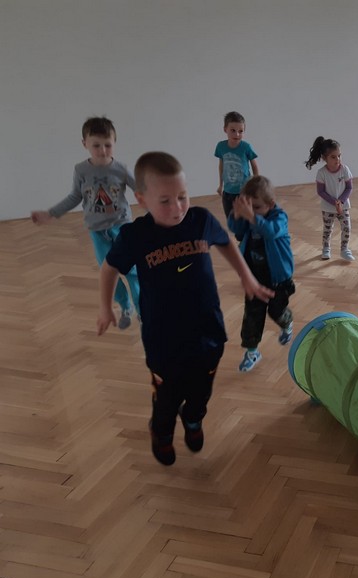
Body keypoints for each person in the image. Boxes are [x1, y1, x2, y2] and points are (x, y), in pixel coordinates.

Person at [96, 152, 274, 466]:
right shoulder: (136, 236)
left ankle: (193, 418)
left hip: (208, 331)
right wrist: (105, 307)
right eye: (165, 201)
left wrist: (246, 276)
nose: (177, 207)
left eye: (182, 196)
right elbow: (109, 268)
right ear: (142, 200)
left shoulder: (200, 220)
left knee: (201, 390)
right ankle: (161, 432)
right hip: (163, 340)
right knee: (167, 396)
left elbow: (225, 241)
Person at [31, 116, 140, 329]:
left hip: (122, 225)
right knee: (108, 271)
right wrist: (51, 214)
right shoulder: (81, 170)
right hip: (97, 230)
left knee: (132, 269)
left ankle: (142, 308)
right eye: (96, 145)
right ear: (85, 144)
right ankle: (125, 305)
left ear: (114, 142)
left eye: (108, 145)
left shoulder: (121, 169)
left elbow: (141, 190)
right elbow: (74, 196)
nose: (103, 150)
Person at [227, 176, 295, 373]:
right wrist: (237, 214)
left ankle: (286, 321)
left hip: (278, 279)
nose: (253, 211)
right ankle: (252, 352)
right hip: (255, 279)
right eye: (249, 207)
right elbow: (235, 229)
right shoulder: (251, 217)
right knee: (252, 316)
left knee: (276, 311)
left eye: (256, 207)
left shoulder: (279, 217)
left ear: (270, 204)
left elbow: (271, 232)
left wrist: (251, 216)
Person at [304, 136, 355, 261]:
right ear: (324, 158)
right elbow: (320, 191)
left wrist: (341, 201)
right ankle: (326, 249)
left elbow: (349, 187)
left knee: (347, 228)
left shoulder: (345, 169)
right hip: (328, 208)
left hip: (343, 206)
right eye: (333, 157)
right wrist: (334, 202)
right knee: (327, 229)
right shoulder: (321, 173)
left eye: (339, 155)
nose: (338, 159)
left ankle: (344, 249)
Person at [214, 111, 260, 218]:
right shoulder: (221, 146)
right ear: (225, 129)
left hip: (244, 192)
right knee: (231, 218)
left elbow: (255, 166)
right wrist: (220, 185)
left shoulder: (246, 147)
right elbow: (221, 166)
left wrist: (256, 185)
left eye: (241, 131)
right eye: (233, 130)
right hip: (228, 192)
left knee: (246, 218)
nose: (237, 134)